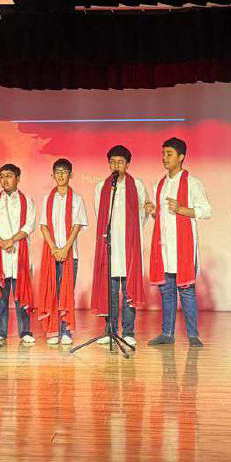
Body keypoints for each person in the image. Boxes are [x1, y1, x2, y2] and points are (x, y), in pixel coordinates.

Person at [145, 137, 212, 347]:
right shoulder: (160, 184)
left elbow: (206, 211)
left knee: (186, 291)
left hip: (183, 246)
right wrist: (153, 211)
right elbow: (162, 217)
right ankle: (167, 333)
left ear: (181, 157)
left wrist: (181, 209)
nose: (164, 158)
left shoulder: (192, 182)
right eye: (163, 154)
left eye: (169, 154)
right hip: (164, 246)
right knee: (166, 291)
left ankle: (193, 335)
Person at [91, 145, 147, 348]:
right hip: (110, 247)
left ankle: (129, 331)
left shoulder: (137, 185)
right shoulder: (101, 187)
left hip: (129, 246)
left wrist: (131, 234)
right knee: (111, 290)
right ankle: (111, 331)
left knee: (128, 289)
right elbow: (100, 216)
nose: (116, 165)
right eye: (113, 162)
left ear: (127, 164)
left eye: (120, 162)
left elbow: (143, 214)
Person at [36, 158, 88, 345]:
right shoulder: (47, 199)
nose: (60, 175)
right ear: (52, 175)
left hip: (69, 253)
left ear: (70, 175)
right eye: (57, 172)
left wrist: (65, 249)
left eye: (64, 172)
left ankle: (66, 331)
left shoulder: (77, 199)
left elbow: (76, 226)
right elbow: (43, 225)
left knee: (67, 291)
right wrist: (53, 248)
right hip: (51, 253)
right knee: (53, 291)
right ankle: (53, 330)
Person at [0, 163, 36, 344]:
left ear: (18, 178)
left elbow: (29, 225)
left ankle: (25, 331)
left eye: (8, 176)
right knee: (1, 296)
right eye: (2, 176)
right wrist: (2, 242)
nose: (4, 180)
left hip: (20, 253)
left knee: (22, 295)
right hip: (1, 254)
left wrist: (12, 240)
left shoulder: (26, 200)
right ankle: (0, 331)